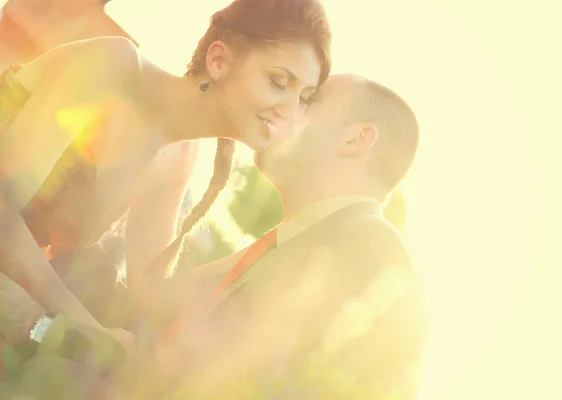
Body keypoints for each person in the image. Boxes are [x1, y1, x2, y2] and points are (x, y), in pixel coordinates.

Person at [0, 74, 426, 400]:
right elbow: (155, 314)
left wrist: (40, 327)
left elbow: (198, 381)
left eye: (308, 100)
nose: (283, 109)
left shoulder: (366, 253)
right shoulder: (311, 236)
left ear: (357, 138)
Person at [0, 0, 332, 333]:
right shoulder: (114, 67)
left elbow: (150, 297)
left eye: (303, 98)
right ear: (218, 61)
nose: (291, 111)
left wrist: (282, 238)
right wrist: (88, 329)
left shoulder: (179, 157)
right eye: (278, 81)